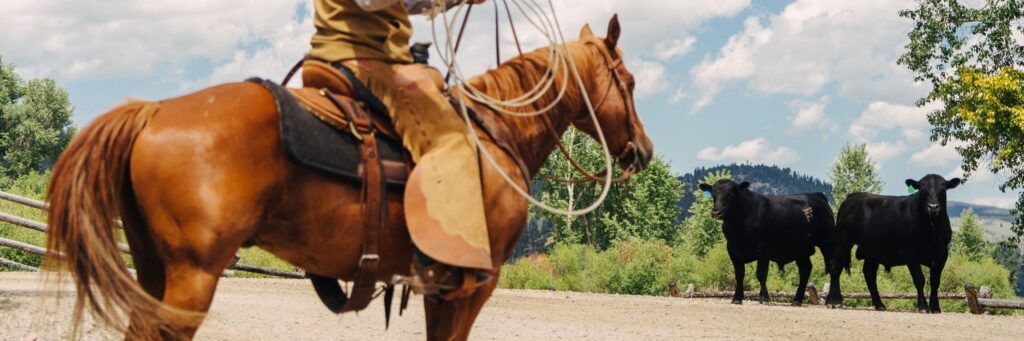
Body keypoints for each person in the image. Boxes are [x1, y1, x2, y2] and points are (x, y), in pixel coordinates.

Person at [306, 0, 491, 297]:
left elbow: (402, 5)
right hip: (364, 59)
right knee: (452, 137)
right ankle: (439, 261)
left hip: (361, 54)